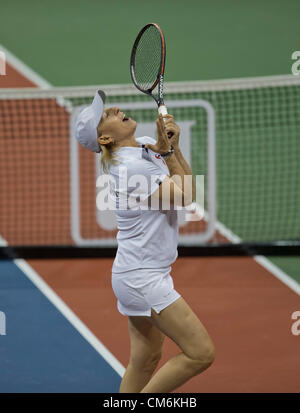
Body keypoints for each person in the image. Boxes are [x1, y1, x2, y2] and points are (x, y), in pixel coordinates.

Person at [75, 90, 215, 393]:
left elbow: (183, 183)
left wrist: (171, 147)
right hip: (142, 278)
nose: (113, 108)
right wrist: (168, 152)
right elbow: (187, 196)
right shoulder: (130, 168)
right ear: (104, 140)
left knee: (145, 360)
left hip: (136, 273)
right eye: (105, 116)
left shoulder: (140, 148)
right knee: (201, 353)